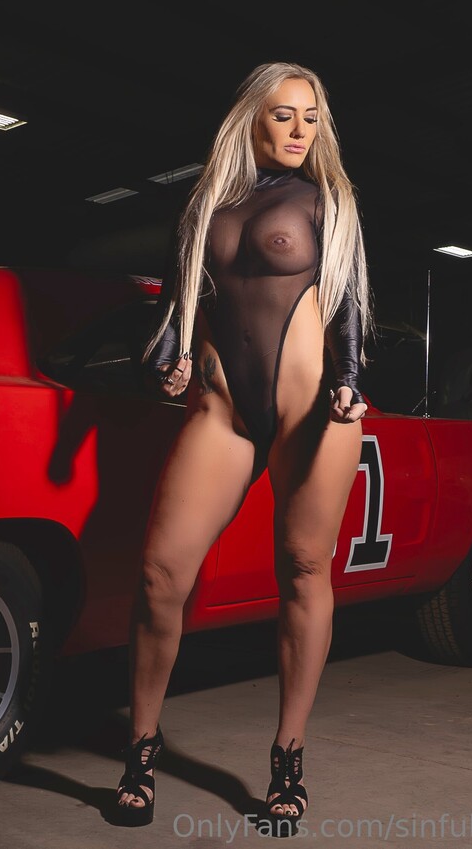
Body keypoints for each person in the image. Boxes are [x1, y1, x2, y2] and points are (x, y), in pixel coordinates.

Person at [111, 61, 372, 836]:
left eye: (311, 118)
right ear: (252, 117)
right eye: (284, 114)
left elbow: (350, 301)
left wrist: (350, 379)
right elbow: (174, 314)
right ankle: (140, 750)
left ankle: (288, 758)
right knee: (160, 575)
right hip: (223, 408)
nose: (299, 130)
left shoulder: (328, 201)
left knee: (303, 568)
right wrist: (166, 365)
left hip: (312, 406)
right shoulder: (203, 206)